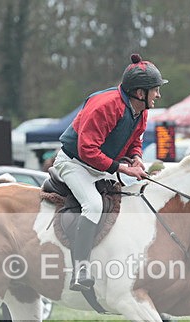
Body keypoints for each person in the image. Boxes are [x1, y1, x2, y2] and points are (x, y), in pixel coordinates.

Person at [54, 53, 167, 290]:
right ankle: (80, 269)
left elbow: (135, 140)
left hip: (100, 166)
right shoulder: (105, 106)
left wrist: (136, 158)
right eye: (155, 90)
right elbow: (87, 150)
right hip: (74, 163)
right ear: (139, 93)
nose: (158, 94)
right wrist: (123, 168)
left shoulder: (142, 110)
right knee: (93, 205)